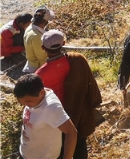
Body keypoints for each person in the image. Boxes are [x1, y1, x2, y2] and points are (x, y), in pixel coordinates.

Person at [35, 30, 102, 159]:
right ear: (64, 43)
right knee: (80, 145)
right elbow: (91, 83)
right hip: (78, 114)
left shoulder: (40, 74)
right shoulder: (78, 59)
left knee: (59, 150)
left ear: (43, 48)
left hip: (56, 120)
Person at [13, 73, 78, 159]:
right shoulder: (35, 94)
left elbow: (71, 132)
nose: (25, 105)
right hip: (26, 153)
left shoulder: (51, 108)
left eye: (28, 102)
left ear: (41, 92)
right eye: (21, 102)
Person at [23, 7, 55, 73]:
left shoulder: (30, 27)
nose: (48, 23)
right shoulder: (37, 37)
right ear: (43, 21)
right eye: (47, 21)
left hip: (30, 64)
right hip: (37, 68)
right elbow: (42, 58)